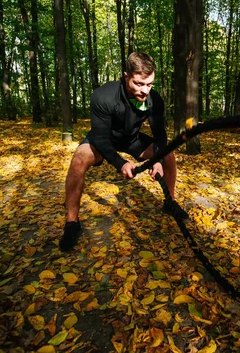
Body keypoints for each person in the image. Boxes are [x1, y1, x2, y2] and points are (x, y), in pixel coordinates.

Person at [60, 52, 188, 252]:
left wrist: (158, 161)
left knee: (168, 155)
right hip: (104, 139)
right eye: (139, 84)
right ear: (126, 76)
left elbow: (160, 135)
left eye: (150, 84)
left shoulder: (154, 99)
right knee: (79, 158)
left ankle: (170, 202)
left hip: (132, 140)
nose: (145, 90)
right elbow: (101, 138)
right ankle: (72, 223)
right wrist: (121, 164)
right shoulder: (103, 96)